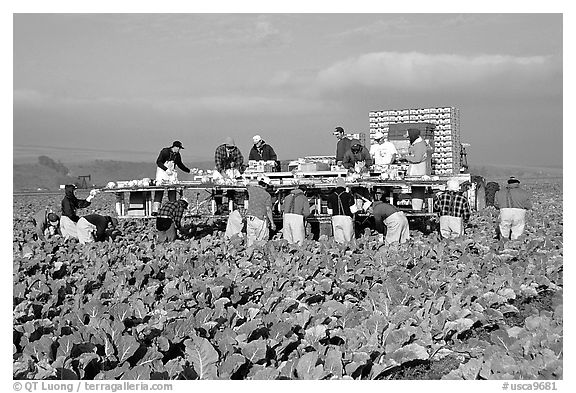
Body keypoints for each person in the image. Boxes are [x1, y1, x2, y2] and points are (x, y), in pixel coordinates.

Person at [153, 141, 191, 214]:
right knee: (159, 191)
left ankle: (172, 209)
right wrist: (166, 169)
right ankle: (155, 210)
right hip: (162, 173)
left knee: (172, 191)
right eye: (178, 148)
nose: (179, 150)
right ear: (175, 147)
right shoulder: (165, 152)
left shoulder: (177, 155)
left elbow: (180, 165)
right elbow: (159, 162)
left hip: (171, 175)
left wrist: (188, 171)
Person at [402, 128, 433, 210]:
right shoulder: (418, 144)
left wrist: (406, 157)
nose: (408, 139)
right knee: (417, 191)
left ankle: (417, 210)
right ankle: (418, 209)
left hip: (418, 172)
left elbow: (417, 159)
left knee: (417, 192)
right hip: (417, 171)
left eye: (409, 137)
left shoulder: (419, 145)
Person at [245, 175, 276, 246]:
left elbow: (247, 184)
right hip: (260, 219)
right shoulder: (267, 195)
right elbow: (268, 209)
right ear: (265, 185)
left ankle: (250, 255)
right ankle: (259, 256)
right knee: (261, 241)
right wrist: (272, 223)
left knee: (250, 239)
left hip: (250, 218)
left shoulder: (251, 189)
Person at [327, 177, 358, 243]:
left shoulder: (330, 196)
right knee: (348, 238)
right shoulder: (349, 196)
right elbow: (353, 210)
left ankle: (340, 251)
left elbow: (329, 211)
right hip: (346, 218)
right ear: (344, 186)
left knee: (339, 239)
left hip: (335, 218)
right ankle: (350, 251)